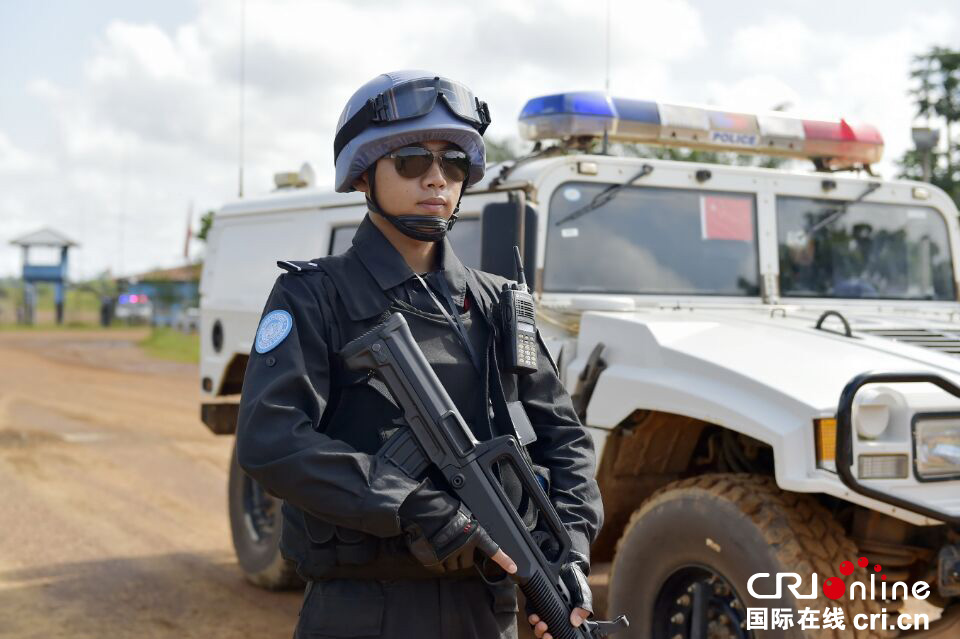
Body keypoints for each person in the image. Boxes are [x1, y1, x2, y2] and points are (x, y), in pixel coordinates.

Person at [236, 70, 603, 639]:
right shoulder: (314, 295)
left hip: (487, 609)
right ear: (363, 175)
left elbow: (566, 439)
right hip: (362, 609)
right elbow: (271, 439)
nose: (436, 178)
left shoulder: (498, 302)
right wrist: (412, 506)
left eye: (453, 163)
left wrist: (570, 551)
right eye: (411, 159)